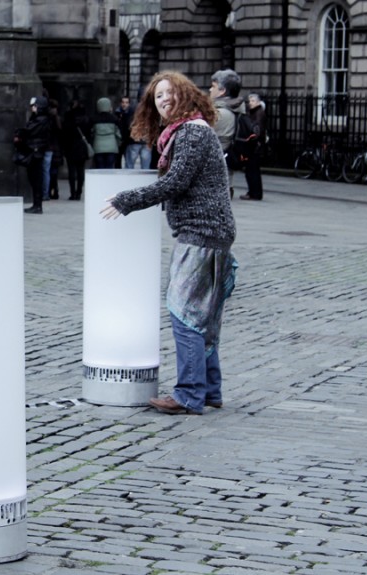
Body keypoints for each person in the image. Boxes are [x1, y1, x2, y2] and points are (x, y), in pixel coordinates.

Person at [100, 70, 238, 416]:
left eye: (169, 93)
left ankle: (189, 393)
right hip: (210, 232)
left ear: (185, 96)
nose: (163, 100)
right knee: (203, 318)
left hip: (201, 233)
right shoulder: (189, 130)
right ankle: (209, 390)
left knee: (185, 314)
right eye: (157, 96)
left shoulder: (191, 131)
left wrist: (125, 200)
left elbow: (176, 182)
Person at [209, 69, 245, 199]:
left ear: (222, 91)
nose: (210, 89)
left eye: (213, 86)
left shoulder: (221, 113)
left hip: (215, 173)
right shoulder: (233, 109)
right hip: (224, 172)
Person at [15, 96, 52, 214]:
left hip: (36, 151)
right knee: (34, 179)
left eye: (35, 106)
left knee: (36, 179)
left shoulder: (41, 120)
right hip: (35, 150)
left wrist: (19, 134)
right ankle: (36, 204)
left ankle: (37, 205)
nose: (33, 108)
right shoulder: (39, 118)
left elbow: (28, 131)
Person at [61, 99, 91, 201]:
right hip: (81, 146)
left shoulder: (68, 117)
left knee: (71, 171)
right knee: (80, 170)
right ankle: (79, 193)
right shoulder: (85, 118)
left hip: (70, 146)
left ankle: (73, 193)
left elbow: (64, 133)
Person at [241, 92, 267, 200]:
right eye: (249, 101)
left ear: (258, 102)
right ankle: (253, 192)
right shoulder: (255, 112)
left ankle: (254, 193)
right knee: (251, 170)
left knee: (252, 170)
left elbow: (256, 130)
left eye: (253, 101)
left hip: (255, 146)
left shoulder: (258, 113)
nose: (250, 103)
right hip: (255, 145)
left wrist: (250, 139)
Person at [117, 96, 152, 170]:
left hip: (134, 140)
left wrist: (126, 139)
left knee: (129, 165)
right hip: (146, 140)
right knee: (145, 167)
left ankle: (129, 180)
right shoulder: (149, 111)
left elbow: (128, 126)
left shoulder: (132, 110)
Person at [91, 97, 121, 169]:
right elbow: (118, 134)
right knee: (109, 167)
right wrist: (118, 144)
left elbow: (92, 132)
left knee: (100, 166)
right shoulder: (114, 118)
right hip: (112, 146)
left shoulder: (94, 119)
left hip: (98, 146)